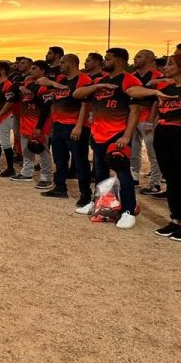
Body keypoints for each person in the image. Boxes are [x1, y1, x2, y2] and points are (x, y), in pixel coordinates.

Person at [73, 48, 141, 229]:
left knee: (123, 173)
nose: (104, 61)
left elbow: (135, 111)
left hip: (117, 135)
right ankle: (99, 204)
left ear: (119, 62)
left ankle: (128, 211)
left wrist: (127, 136)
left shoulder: (129, 81)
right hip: (97, 134)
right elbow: (77, 95)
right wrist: (96, 87)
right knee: (101, 173)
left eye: (108, 59)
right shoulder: (100, 81)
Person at [127, 53, 181, 239]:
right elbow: (132, 91)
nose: (165, 67)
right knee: (172, 180)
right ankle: (175, 220)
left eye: (170, 63)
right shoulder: (166, 85)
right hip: (164, 134)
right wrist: (154, 92)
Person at [37, 54, 92, 202]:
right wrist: (54, 84)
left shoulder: (83, 79)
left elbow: (85, 105)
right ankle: (60, 188)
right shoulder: (60, 79)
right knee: (60, 160)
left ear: (72, 63)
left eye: (62, 62)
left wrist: (79, 126)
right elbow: (40, 80)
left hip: (74, 126)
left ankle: (85, 194)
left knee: (80, 161)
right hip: (58, 125)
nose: (60, 65)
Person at [8, 60, 53, 188]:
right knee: (26, 150)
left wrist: (39, 127)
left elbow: (46, 108)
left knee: (43, 152)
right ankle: (26, 173)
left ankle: (46, 177)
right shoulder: (29, 83)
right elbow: (12, 86)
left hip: (39, 125)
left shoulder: (45, 86)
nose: (31, 71)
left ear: (42, 71)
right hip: (25, 124)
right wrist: (20, 87)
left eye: (34, 68)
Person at [130, 49, 164, 193]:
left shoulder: (158, 77)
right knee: (133, 151)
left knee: (153, 152)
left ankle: (155, 183)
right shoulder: (132, 76)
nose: (135, 58)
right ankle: (134, 177)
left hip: (149, 119)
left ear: (150, 60)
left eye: (139, 56)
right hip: (133, 118)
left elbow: (159, 101)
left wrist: (151, 120)